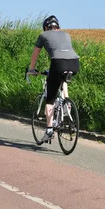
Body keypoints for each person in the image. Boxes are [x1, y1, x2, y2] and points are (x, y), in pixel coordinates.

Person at [28, 15, 80, 143]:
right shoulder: (66, 34)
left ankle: (49, 129)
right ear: (58, 26)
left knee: (50, 99)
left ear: (46, 27)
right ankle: (66, 104)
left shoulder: (43, 35)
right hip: (74, 63)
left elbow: (35, 54)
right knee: (63, 79)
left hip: (58, 63)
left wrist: (32, 69)